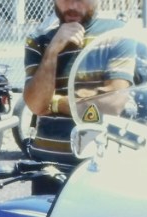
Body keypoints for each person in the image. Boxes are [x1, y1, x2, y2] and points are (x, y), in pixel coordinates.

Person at [22, 0, 132, 168]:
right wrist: (52, 51)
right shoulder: (38, 40)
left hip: (99, 163)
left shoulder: (117, 34)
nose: (72, 6)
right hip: (46, 165)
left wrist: (56, 102)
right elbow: (36, 104)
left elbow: (113, 104)